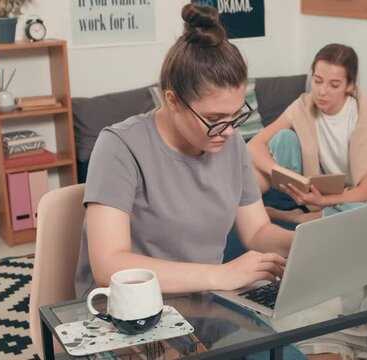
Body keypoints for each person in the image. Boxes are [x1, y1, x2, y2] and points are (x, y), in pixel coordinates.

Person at [74, 4, 293, 299]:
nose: (228, 130)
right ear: (173, 101)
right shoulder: (119, 147)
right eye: (214, 119)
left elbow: (256, 233)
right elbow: (109, 265)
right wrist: (222, 275)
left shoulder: (233, 145)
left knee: (293, 341)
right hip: (129, 311)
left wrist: (304, 244)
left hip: (206, 301)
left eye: (235, 116)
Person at [247, 44, 367, 223]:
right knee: (282, 138)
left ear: (350, 86)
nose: (322, 91)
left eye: (334, 85)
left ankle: (297, 217)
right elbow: (254, 145)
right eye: (317, 81)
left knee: (355, 217)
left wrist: (322, 200)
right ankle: (242, 205)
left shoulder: (362, 119)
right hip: (331, 183)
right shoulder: (303, 106)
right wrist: (279, 171)